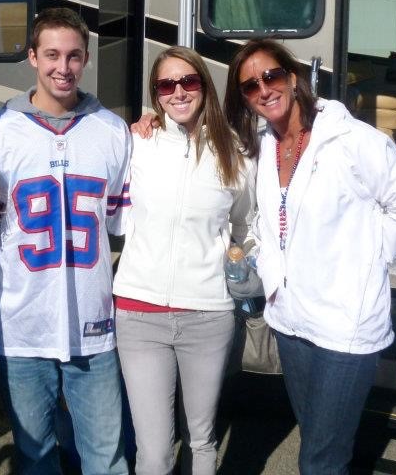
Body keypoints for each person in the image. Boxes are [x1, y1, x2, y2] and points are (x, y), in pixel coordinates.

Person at [224, 38, 396, 475]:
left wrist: (370, 254)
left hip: (345, 329)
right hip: (291, 323)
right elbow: (270, 217)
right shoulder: (266, 146)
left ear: (293, 76)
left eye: (271, 76)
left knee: (320, 459)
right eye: (250, 86)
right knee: (320, 439)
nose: (264, 89)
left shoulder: (352, 141)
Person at [0, 7, 132, 474]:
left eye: (72, 56)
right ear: (32, 56)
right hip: (22, 324)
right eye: (51, 55)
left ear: (86, 59)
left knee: (106, 457)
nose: (62, 68)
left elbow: (119, 223)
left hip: (93, 325)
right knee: (35, 454)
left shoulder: (112, 130)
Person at [113, 46, 254, 475]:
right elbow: (113, 216)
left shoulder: (233, 152)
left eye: (188, 81)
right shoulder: (136, 143)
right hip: (139, 313)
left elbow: (246, 228)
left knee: (202, 439)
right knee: (153, 452)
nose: (178, 92)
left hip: (207, 314)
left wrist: (239, 265)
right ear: (156, 94)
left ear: (204, 87)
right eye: (166, 84)